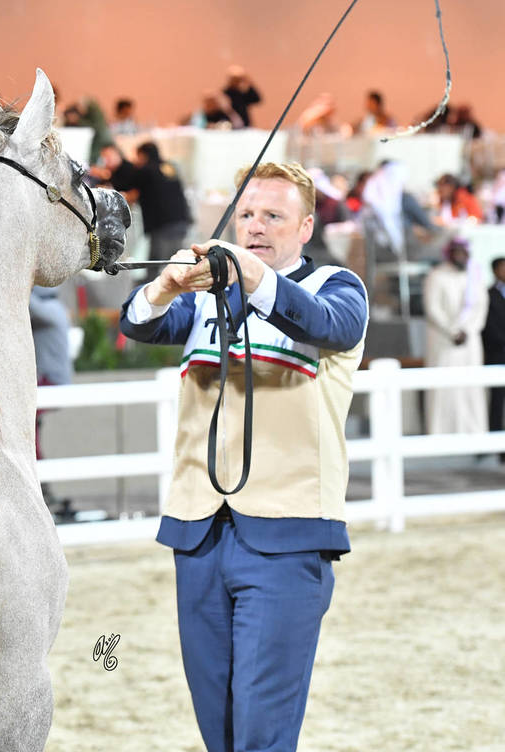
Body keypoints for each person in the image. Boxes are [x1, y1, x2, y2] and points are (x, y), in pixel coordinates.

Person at [119, 162, 368, 752]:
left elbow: (328, 325)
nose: (256, 227)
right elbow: (136, 322)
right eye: (248, 215)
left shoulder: (336, 288)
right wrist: (166, 285)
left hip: (289, 535)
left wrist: (252, 278)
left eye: (274, 216)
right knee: (220, 733)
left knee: (262, 734)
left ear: (306, 226)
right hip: (197, 531)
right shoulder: (204, 300)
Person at [423, 236, 489, 435]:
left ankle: (473, 432)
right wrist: (452, 331)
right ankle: (440, 432)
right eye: (456, 252)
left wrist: (468, 330)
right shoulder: (436, 276)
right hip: (444, 341)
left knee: (470, 387)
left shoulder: (474, 277)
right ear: (449, 254)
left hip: (470, 341)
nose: (461, 256)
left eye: (464, 252)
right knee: (444, 388)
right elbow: (432, 308)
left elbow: (481, 308)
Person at [29, 284, 74, 518]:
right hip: (48, 380)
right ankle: (42, 488)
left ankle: (41, 488)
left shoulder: (49, 310)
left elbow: (26, 302)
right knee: (31, 432)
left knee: (26, 430)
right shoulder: (56, 308)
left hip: (50, 381)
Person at [129, 142, 191, 278]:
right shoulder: (169, 166)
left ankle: (152, 296)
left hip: (162, 224)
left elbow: (129, 187)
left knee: (157, 267)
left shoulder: (146, 171)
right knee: (178, 264)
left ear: (144, 156)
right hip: (181, 221)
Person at [482, 258, 505, 449]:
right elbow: (488, 326)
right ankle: (496, 445)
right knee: (497, 401)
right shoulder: (488, 295)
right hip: (497, 353)